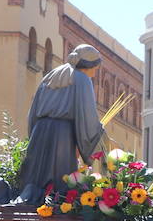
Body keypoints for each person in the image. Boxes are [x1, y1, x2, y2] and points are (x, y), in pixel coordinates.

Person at [9, 43, 108, 206]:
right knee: (59, 187)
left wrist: (34, 136)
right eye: (95, 69)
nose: (95, 73)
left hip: (39, 133)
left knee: (35, 181)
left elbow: (32, 113)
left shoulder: (50, 76)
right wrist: (99, 134)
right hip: (62, 136)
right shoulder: (82, 80)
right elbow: (87, 116)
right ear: (88, 65)